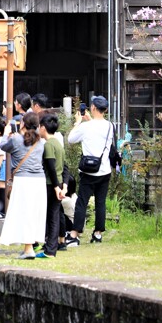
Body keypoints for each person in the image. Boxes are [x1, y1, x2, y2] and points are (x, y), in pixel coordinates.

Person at [65, 95, 114, 246]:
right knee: (100, 202)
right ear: (105, 109)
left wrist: (78, 123)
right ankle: (98, 234)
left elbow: (70, 139)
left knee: (82, 202)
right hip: (104, 170)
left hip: (88, 171)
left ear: (92, 108)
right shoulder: (110, 126)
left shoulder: (86, 127)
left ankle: (75, 234)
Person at [0, 112, 46, 259]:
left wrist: (6, 133)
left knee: (23, 213)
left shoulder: (16, 139)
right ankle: (29, 246)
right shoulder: (41, 142)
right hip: (39, 180)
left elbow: (2, 146)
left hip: (23, 180)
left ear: (23, 124)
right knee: (34, 214)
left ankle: (28, 249)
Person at [36, 114, 66, 258]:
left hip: (50, 184)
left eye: (39, 127)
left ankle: (48, 248)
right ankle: (50, 249)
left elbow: (51, 167)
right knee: (54, 215)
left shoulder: (48, 144)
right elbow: (65, 167)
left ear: (43, 128)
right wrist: (63, 186)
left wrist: (55, 187)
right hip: (59, 183)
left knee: (49, 216)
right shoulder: (58, 143)